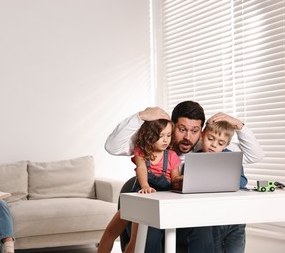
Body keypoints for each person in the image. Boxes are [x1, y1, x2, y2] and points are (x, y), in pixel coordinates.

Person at [101, 101, 264, 252]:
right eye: (181, 129)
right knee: (151, 228)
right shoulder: (157, 143)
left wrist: (239, 125)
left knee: (204, 226)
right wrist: (140, 117)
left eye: (194, 131)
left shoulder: (207, 146)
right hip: (155, 208)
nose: (188, 137)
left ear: (201, 132)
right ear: (172, 127)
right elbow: (112, 147)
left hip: (187, 215)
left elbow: (254, 155)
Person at [121, 119, 181, 253]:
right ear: (149, 135)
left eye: (169, 135)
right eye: (161, 136)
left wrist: (182, 180)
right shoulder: (142, 152)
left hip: (163, 200)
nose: (165, 140)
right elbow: (141, 169)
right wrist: (145, 186)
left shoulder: (171, 155)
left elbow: (175, 179)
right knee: (140, 239)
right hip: (145, 197)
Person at [200, 121, 247, 253]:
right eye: (210, 139)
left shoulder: (230, 158)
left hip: (235, 221)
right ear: (202, 136)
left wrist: (221, 181)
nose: (214, 145)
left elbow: (242, 181)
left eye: (220, 143)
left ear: (226, 145)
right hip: (211, 222)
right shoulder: (195, 160)